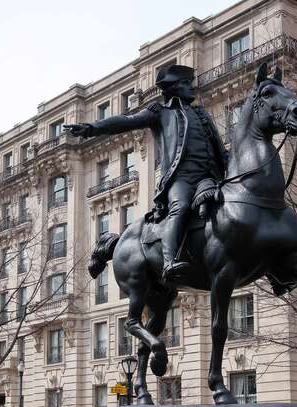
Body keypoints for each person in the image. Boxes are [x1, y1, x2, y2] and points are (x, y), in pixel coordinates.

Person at [65, 64, 227, 283]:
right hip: (181, 178)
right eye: (186, 83)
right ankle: (169, 261)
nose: (191, 87)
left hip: (208, 177)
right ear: (174, 88)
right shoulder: (160, 112)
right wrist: (92, 128)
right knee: (179, 207)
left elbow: (218, 146)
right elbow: (126, 122)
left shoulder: (201, 114)